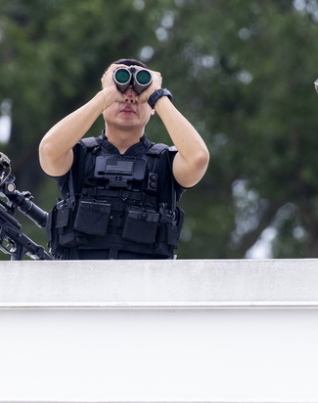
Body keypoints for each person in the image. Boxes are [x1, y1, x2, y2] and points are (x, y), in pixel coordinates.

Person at [38, 59, 209, 259]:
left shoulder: (165, 162)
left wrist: (158, 96)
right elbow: (48, 150)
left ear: (152, 107)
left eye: (137, 93)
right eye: (121, 91)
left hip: (145, 284)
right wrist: (105, 96)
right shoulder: (79, 155)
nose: (129, 98)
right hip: (80, 282)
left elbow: (198, 158)